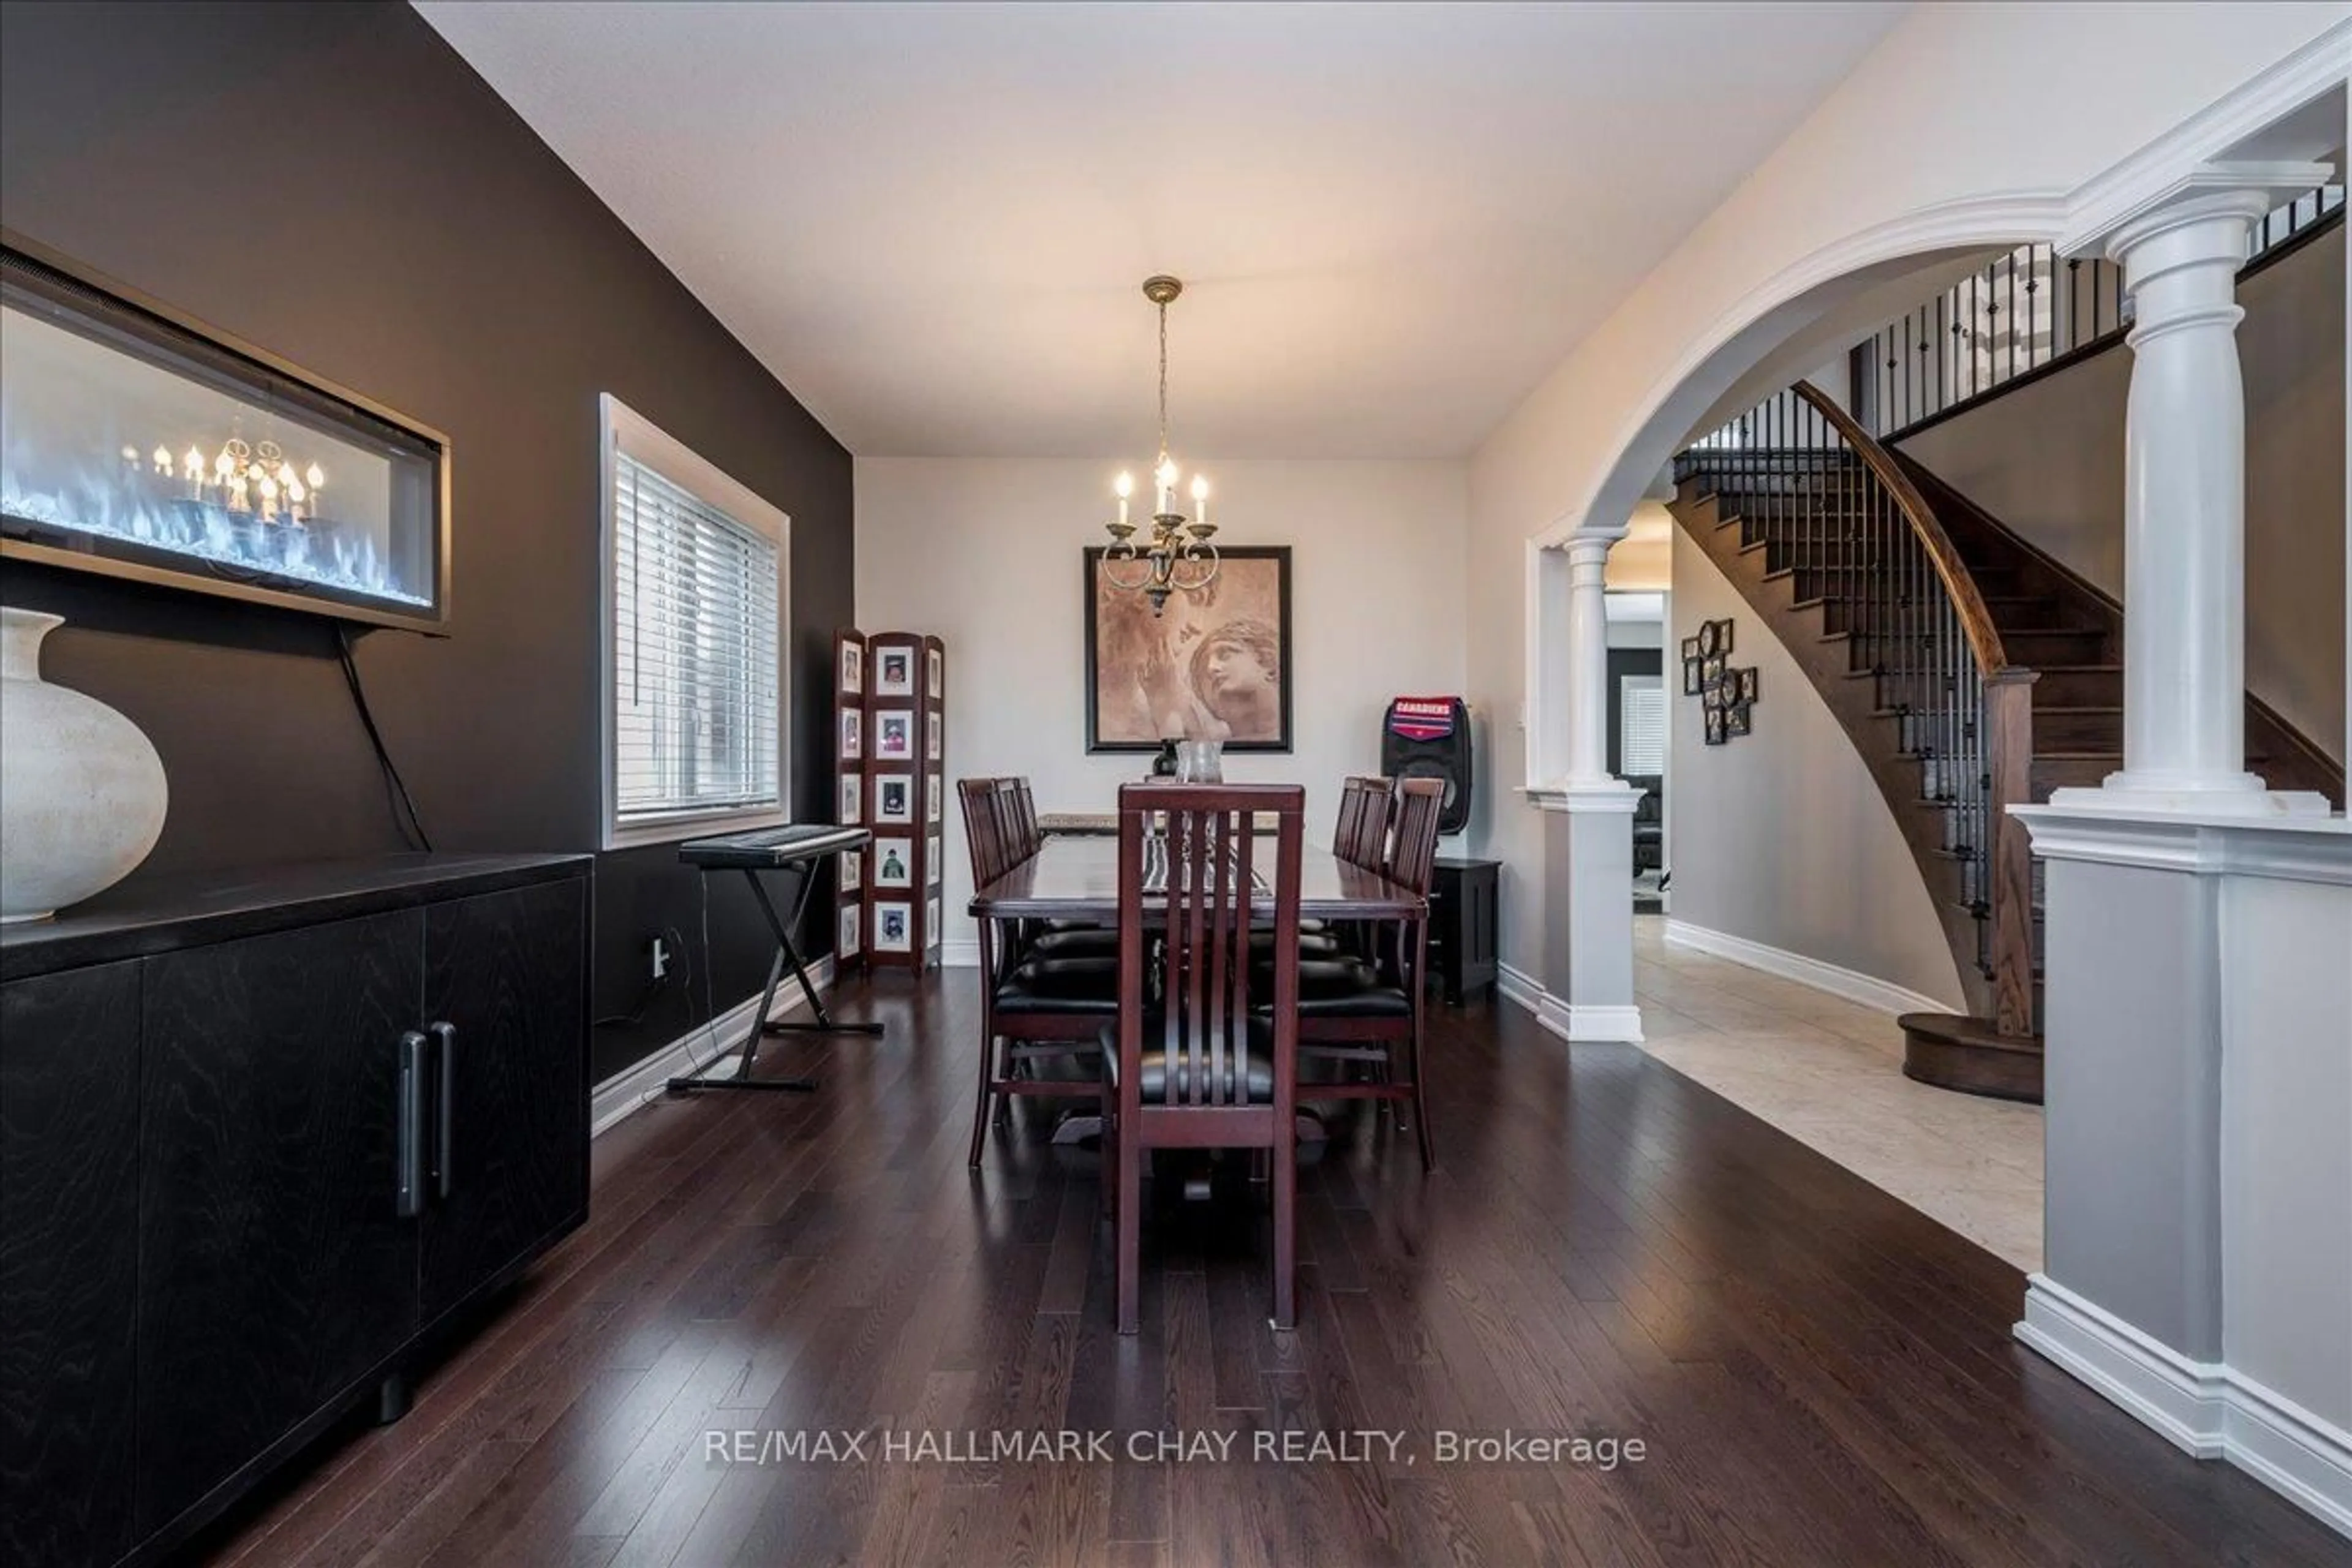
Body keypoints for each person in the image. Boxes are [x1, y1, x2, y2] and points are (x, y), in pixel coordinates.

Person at [1188, 617, 1281, 742]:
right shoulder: (1204, 749)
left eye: (1225, 655)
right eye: (1203, 669)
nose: (1211, 668)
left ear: (1268, 662)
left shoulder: (1305, 732)